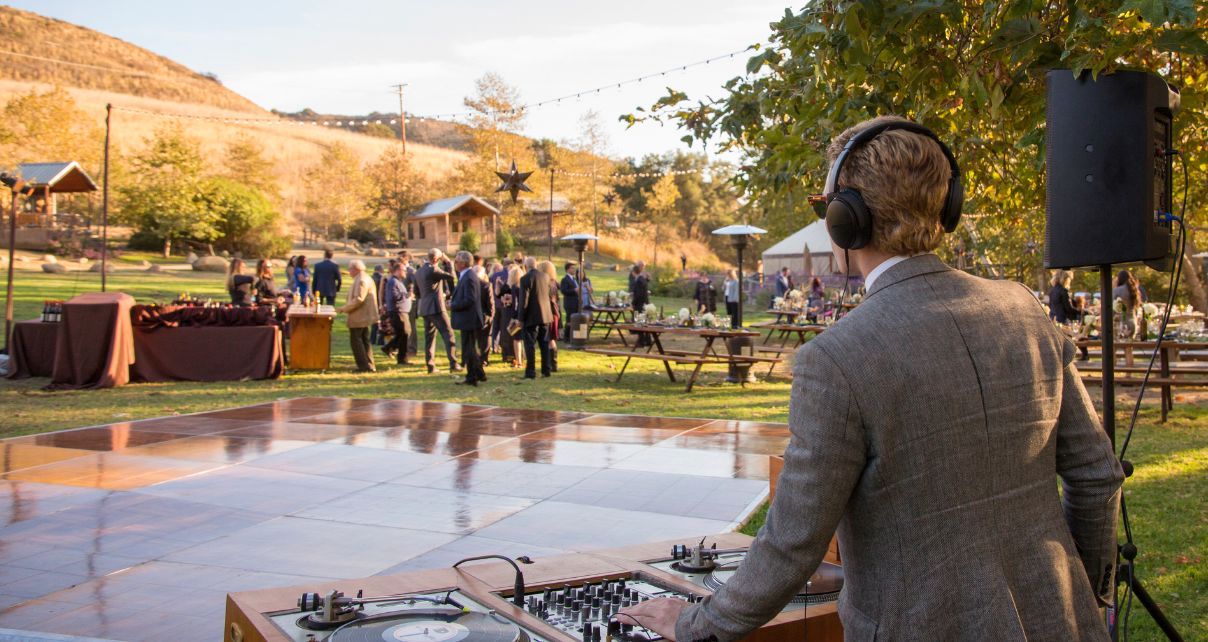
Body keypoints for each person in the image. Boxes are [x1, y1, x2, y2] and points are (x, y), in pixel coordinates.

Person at [619, 116, 1122, 641]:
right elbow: (1097, 475)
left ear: (845, 220)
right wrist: (1083, 589)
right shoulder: (1024, 308)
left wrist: (697, 624)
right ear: (945, 207)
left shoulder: (834, 360)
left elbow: (794, 541)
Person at [414, 249, 460, 373]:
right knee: (448, 333)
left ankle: (430, 365)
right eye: (439, 259)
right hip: (436, 307)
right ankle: (454, 363)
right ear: (436, 259)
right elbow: (451, 276)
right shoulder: (433, 269)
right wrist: (448, 262)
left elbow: (416, 292)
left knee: (429, 337)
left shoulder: (418, 272)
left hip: (425, 308)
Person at [449, 251, 485, 386]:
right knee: (469, 348)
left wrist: (453, 306)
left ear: (463, 263)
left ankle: (472, 377)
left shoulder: (469, 277)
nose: (455, 264)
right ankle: (479, 373)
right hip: (468, 318)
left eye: (457, 261)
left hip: (469, 319)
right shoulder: (465, 275)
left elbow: (470, 299)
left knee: (468, 349)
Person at [336, 259, 377, 373]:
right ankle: (369, 364)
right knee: (364, 340)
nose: (349, 272)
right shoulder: (364, 277)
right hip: (363, 316)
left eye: (350, 269)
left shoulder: (361, 280)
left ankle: (363, 366)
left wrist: (343, 309)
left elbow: (359, 299)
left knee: (357, 341)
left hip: (359, 316)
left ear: (356, 269)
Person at [518, 257, 554, 378]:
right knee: (544, 343)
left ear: (526, 266)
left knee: (530, 345)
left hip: (531, 317)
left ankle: (531, 371)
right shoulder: (545, 277)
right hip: (545, 315)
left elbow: (524, 300)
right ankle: (546, 369)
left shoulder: (525, 279)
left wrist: (521, 318)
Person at [380, 261, 412, 365]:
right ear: (398, 271)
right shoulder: (393, 282)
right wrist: (407, 295)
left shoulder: (397, 281)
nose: (405, 272)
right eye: (404, 270)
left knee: (403, 334)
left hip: (401, 311)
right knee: (405, 334)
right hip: (398, 312)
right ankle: (399, 356)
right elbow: (394, 296)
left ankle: (391, 350)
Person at [540, 260, 561, 372]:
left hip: (549, 313)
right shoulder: (554, 282)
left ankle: (552, 364)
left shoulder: (547, 283)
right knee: (551, 339)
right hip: (554, 313)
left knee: (550, 339)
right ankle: (553, 364)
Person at [398, 250, 420, 357]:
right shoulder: (399, 269)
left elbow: (417, 285)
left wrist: (411, 294)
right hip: (402, 301)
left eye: (400, 258)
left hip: (410, 302)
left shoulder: (411, 271)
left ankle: (412, 349)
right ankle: (404, 347)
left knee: (411, 325)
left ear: (405, 258)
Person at [474, 264, 495, 367]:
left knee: (475, 337)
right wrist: (491, 314)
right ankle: (484, 359)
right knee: (486, 337)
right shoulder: (486, 285)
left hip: (472, 314)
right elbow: (490, 302)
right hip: (484, 314)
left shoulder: (469, 284)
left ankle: (475, 357)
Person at [1113, 269, 1143, 338]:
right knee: (1129, 347)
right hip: (1133, 322)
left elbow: (1111, 306)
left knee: (1115, 346)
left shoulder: (1117, 290)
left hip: (1121, 323)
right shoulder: (1134, 290)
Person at [631, 262, 652, 345]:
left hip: (640, 304)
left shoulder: (638, 281)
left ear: (634, 272)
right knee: (644, 323)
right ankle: (647, 340)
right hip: (645, 303)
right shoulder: (642, 279)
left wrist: (633, 303)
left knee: (639, 323)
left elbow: (638, 295)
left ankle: (641, 341)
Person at [559, 262, 581, 341]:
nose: (574, 269)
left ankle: (573, 336)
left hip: (576, 302)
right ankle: (566, 337)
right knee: (569, 320)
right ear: (568, 269)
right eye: (572, 268)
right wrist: (574, 290)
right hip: (569, 303)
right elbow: (563, 291)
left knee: (575, 320)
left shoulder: (574, 279)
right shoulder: (565, 279)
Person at [370, 264, 385, 345]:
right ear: (381, 270)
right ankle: (380, 340)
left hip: (372, 302)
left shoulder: (370, 278)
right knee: (381, 322)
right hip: (380, 302)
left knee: (374, 322)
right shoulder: (382, 278)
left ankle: (372, 339)